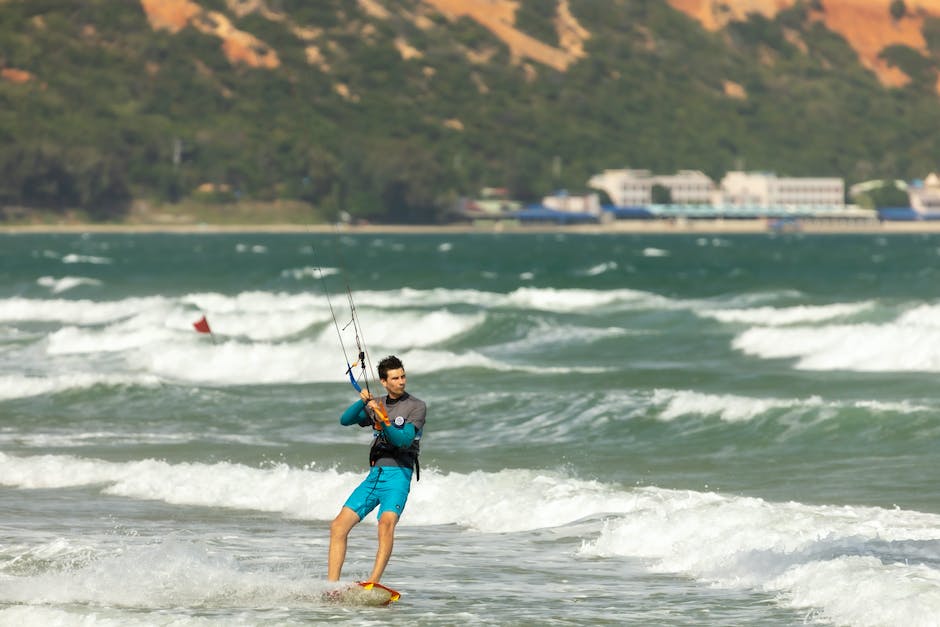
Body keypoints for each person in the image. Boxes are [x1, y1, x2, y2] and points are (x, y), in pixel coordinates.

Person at [327, 355, 426, 584]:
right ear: (384, 381)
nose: (401, 381)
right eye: (395, 378)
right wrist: (363, 401)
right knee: (338, 526)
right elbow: (345, 420)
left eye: (403, 376)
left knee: (385, 524)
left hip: (399, 476)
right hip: (375, 476)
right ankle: (331, 587)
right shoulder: (377, 403)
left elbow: (403, 440)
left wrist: (385, 421)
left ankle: (373, 582)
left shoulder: (416, 407)